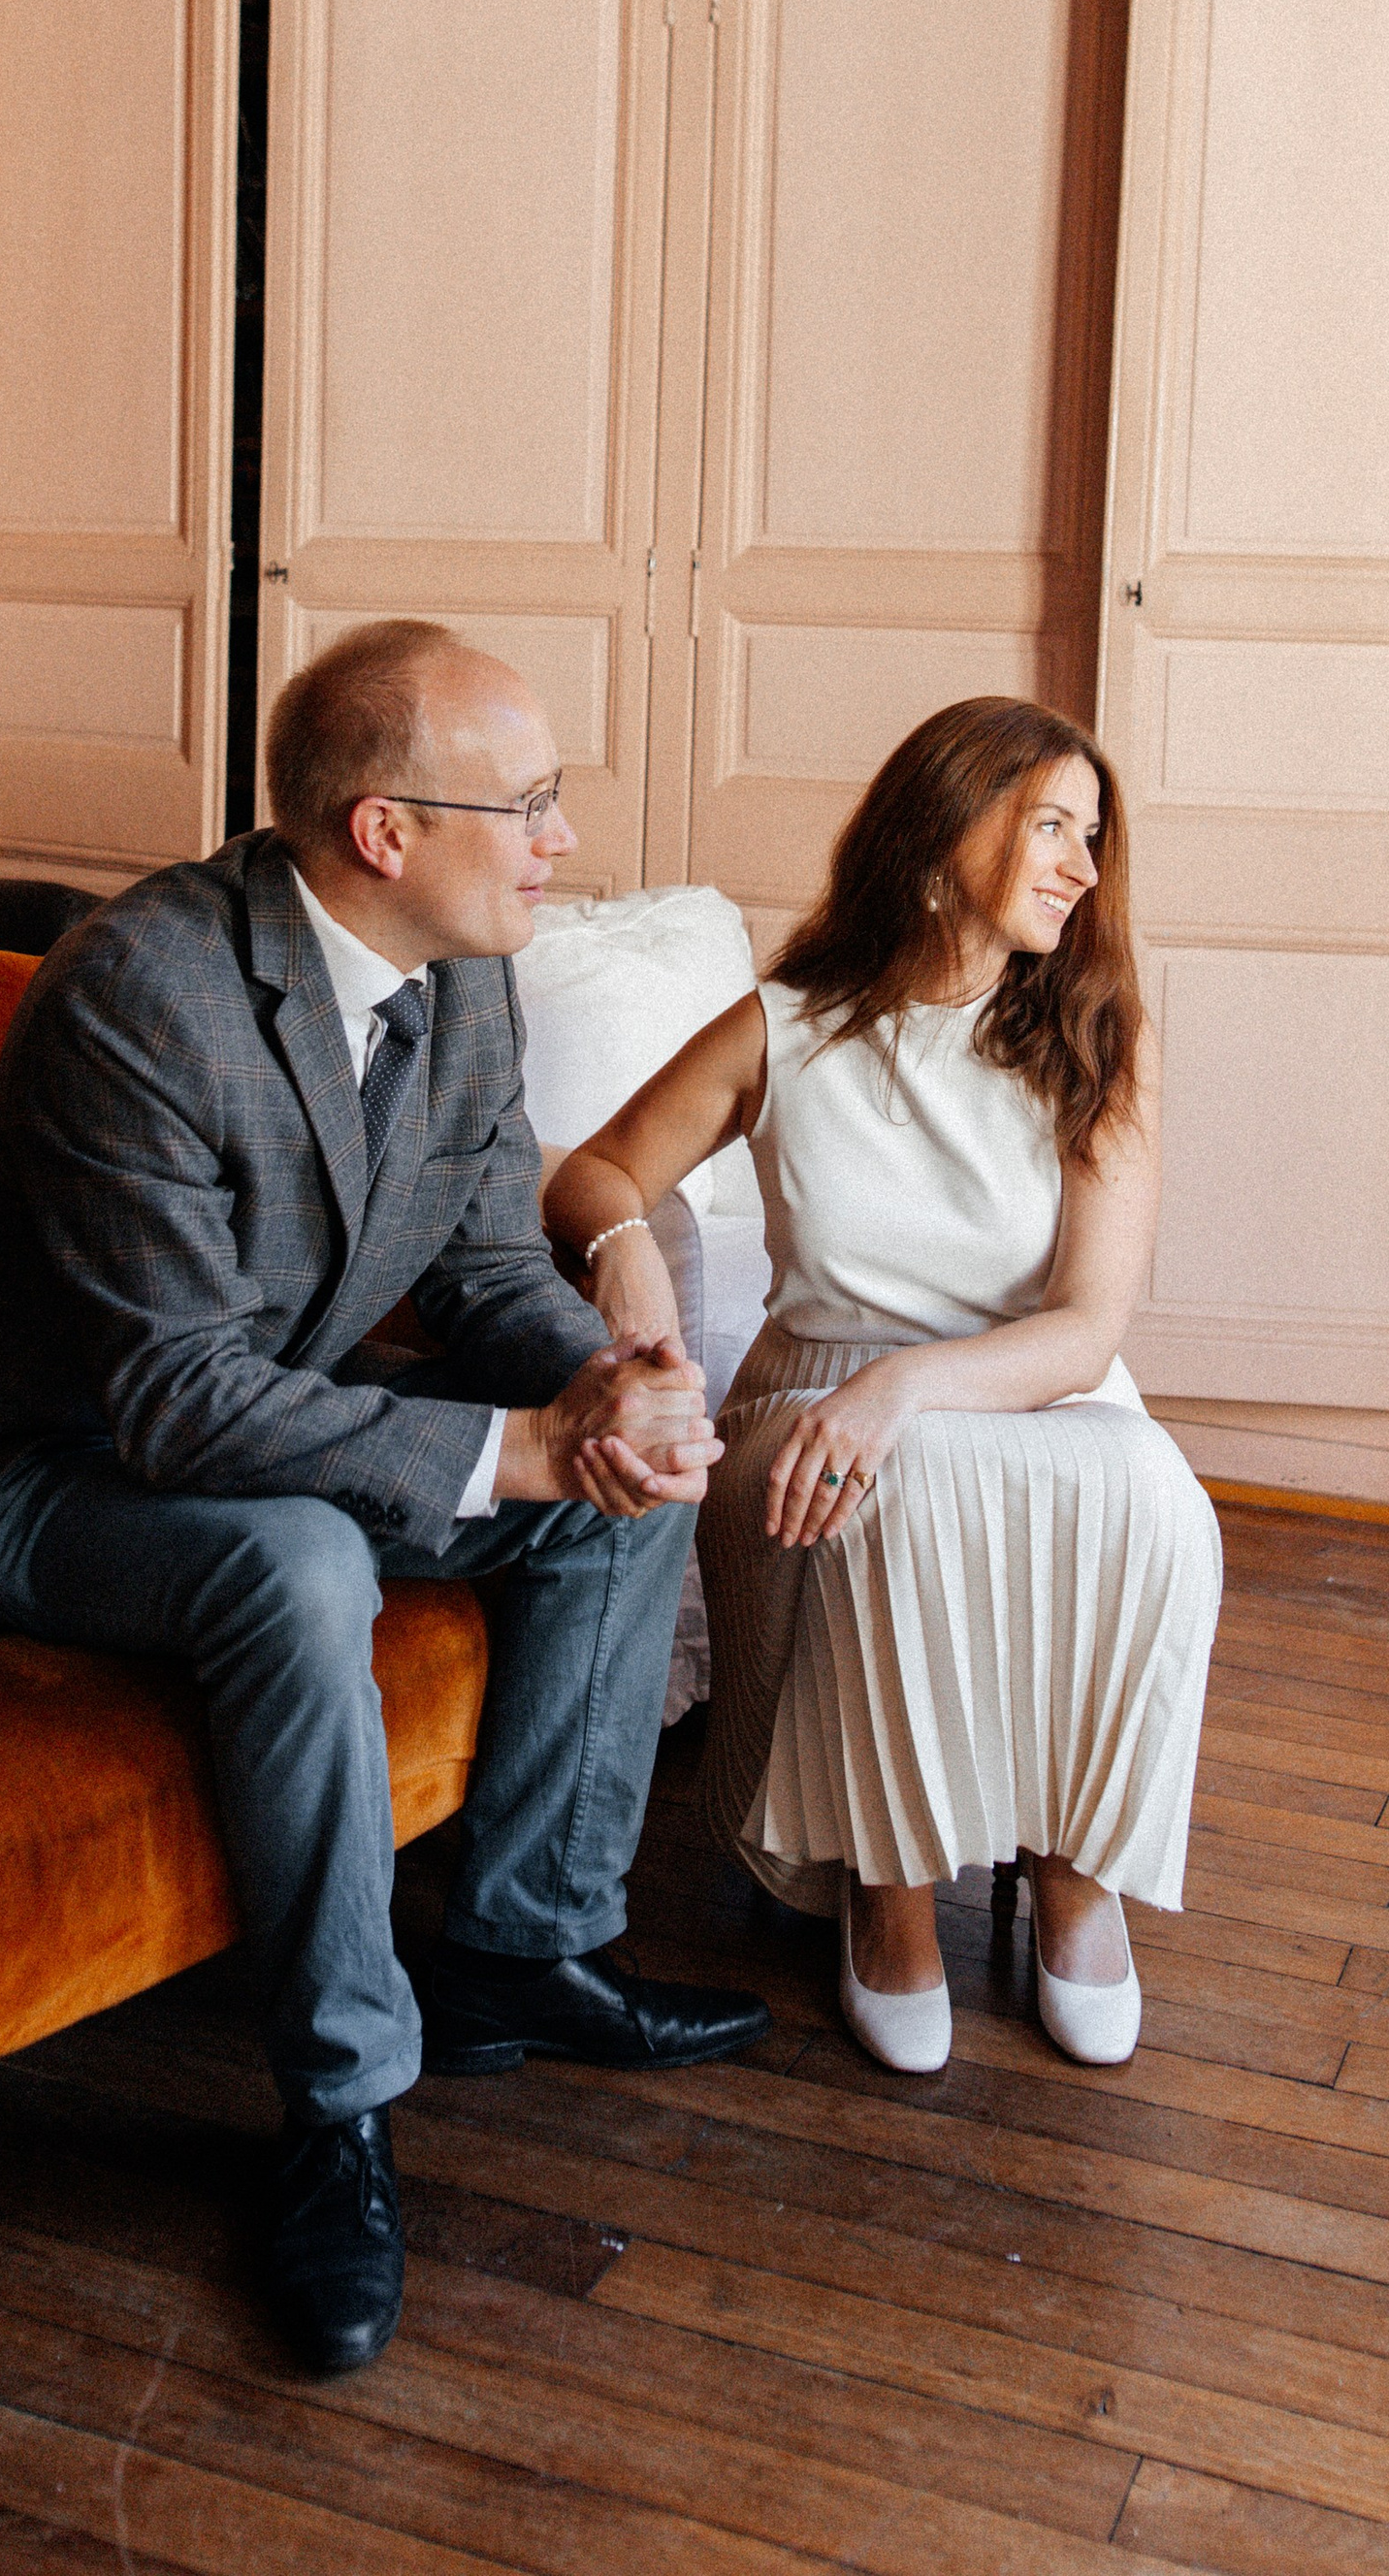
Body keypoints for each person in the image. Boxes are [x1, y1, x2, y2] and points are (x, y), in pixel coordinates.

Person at [0, 620, 769, 2372]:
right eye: (531, 803)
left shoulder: (460, 966)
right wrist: (522, 1443)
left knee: (615, 1486)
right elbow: (171, 1396)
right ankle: (339, 2107)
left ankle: (519, 1943)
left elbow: (485, 1252)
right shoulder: (141, 991)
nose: (562, 840)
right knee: (301, 1568)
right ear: (386, 832)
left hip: (244, 1422)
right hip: (15, 1469)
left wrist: (596, 1390)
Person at [544, 697, 1220, 2077]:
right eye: (1049, 829)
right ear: (938, 833)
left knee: (1159, 1497)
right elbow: (595, 1172)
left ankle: (1075, 1864)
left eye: (1093, 839)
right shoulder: (782, 1030)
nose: (1084, 870)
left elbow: (1086, 1329)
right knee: (879, 1492)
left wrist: (908, 1389)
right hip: (811, 1412)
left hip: (1034, 1393)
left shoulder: (1099, 1037)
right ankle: (888, 1884)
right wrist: (633, 1269)